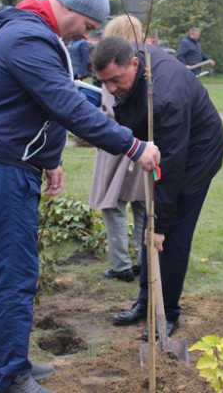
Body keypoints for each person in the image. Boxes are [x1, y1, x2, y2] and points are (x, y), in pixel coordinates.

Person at [0, 0, 160, 393]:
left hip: (8, 165)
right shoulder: (28, 39)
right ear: (68, 8)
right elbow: (63, 103)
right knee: (11, 273)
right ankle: (11, 376)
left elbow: (35, 103)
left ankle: (10, 363)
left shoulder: (34, 33)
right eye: (86, 26)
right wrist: (132, 145)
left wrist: (49, 160)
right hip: (0, 170)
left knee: (5, 270)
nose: (86, 36)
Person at [92, 36, 223, 340]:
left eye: (115, 80)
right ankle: (145, 302)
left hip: (197, 155)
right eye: (104, 82)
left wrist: (161, 225)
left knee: (171, 235)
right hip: (167, 147)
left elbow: (173, 167)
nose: (110, 89)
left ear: (135, 64)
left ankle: (166, 312)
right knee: (148, 231)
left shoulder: (167, 96)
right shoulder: (133, 64)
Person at [89, 15, 146, 283]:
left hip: (119, 147)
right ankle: (145, 261)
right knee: (143, 206)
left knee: (113, 206)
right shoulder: (143, 65)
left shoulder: (114, 71)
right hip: (143, 145)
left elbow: (109, 112)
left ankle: (122, 264)